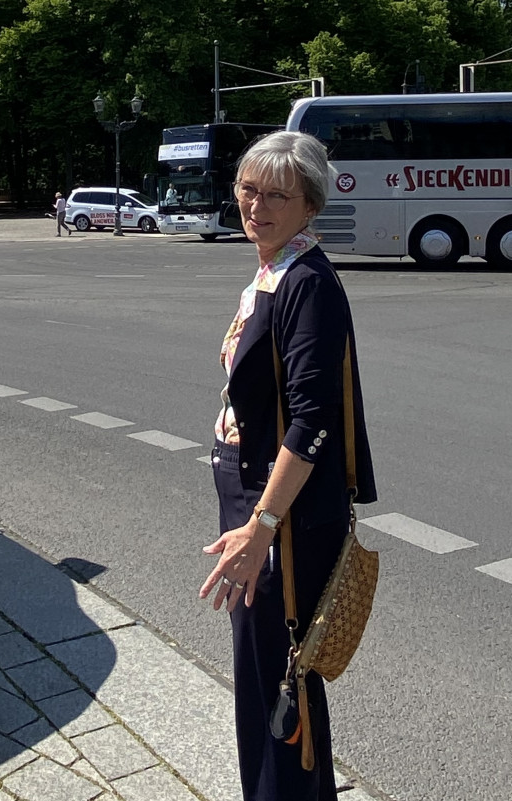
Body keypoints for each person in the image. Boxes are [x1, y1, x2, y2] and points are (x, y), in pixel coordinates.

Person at [198, 130, 376, 801]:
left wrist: (262, 526)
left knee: (281, 678)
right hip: (257, 504)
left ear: (310, 205)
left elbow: (314, 422)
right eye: (248, 188)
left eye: (278, 194)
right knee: (267, 673)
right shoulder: (273, 270)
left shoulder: (307, 283)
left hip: (282, 520)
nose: (256, 204)